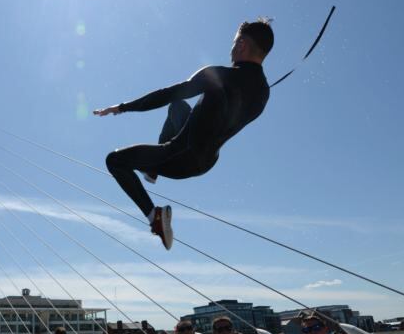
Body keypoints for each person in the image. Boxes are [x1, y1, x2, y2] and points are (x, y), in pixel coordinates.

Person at [94, 20, 274, 250]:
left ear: (241, 45)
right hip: (207, 161)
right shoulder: (263, 94)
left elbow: (167, 94)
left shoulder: (220, 76)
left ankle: (155, 218)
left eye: (233, 42)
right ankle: (152, 169)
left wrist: (121, 107)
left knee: (115, 161)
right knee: (178, 107)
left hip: (179, 157)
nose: (231, 48)